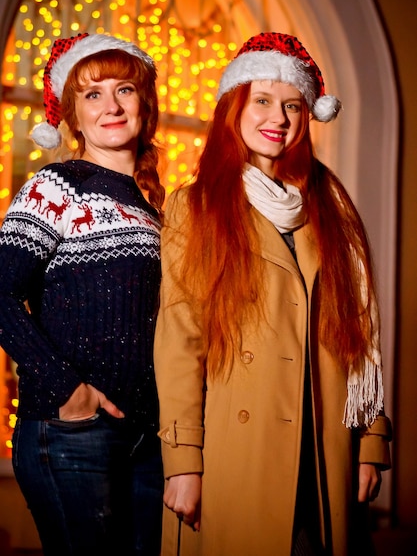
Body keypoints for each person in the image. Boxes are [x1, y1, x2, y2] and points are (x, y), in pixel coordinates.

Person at [154, 32, 392, 556]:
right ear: (234, 109)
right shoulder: (195, 208)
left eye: (292, 105)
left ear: (308, 117)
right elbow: (179, 343)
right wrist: (184, 462)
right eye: (261, 100)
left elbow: (357, 337)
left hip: (324, 447)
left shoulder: (333, 208)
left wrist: (370, 443)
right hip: (236, 450)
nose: (277, 118)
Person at [0, 33, 165, 556]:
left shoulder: (154, 207)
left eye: (124, 90)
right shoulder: (57, 186)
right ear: (71, 114)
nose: (111, 107)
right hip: (74, 433)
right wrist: (71, 392)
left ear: (146, 104)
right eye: (92, 95)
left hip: (147, 438)